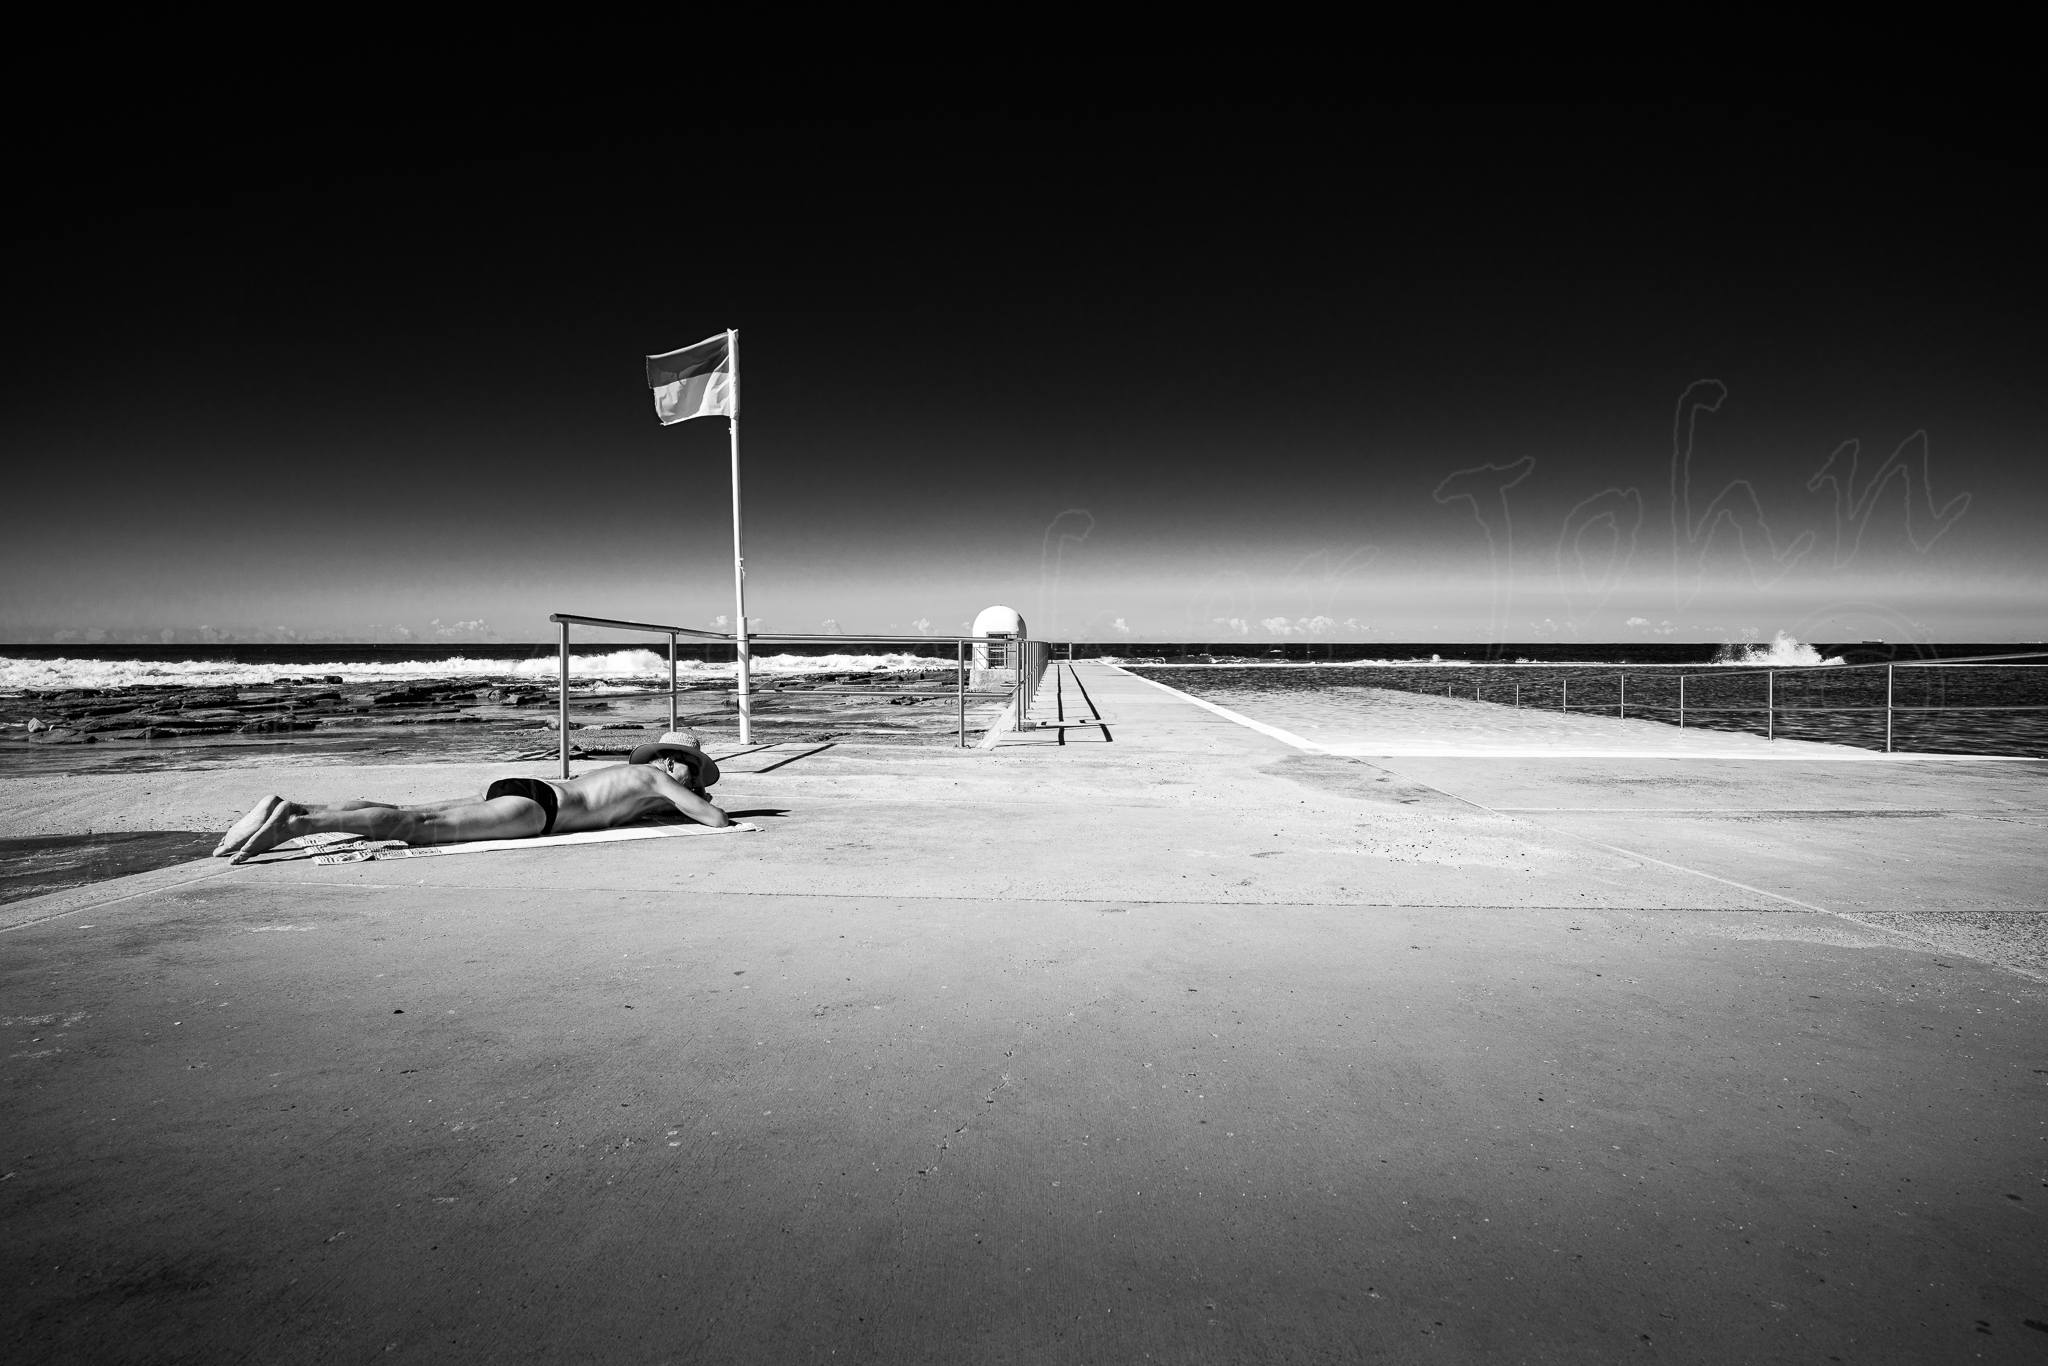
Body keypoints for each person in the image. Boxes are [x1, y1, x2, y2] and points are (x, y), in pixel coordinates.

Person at [212, 731, 729, 864]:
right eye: (691, 767)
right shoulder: (658, 779)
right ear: (668, 761)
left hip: (528, 789)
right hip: (538, 811)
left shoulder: (635, 779)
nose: (691, 777)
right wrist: (698, 796)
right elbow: (716, 820)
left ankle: (296, 807)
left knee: (410, 813)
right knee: (415, 826)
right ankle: (297, 825)